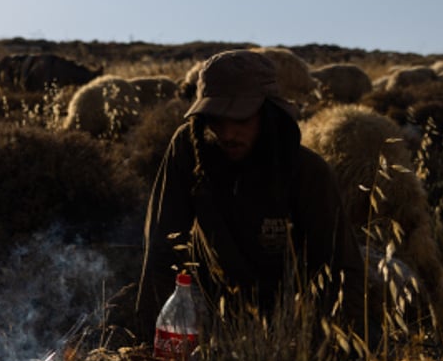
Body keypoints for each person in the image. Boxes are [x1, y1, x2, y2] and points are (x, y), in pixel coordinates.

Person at [136, 49, 371, 342]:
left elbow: (342, 268)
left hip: (288, 312)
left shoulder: (308, 172)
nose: (227, 133)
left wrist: (330, 354)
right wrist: (150, 344)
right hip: (207, 302)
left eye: (241, 119)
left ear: (268, 113)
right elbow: (162, 247)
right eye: (216, 120)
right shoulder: (189, 146)